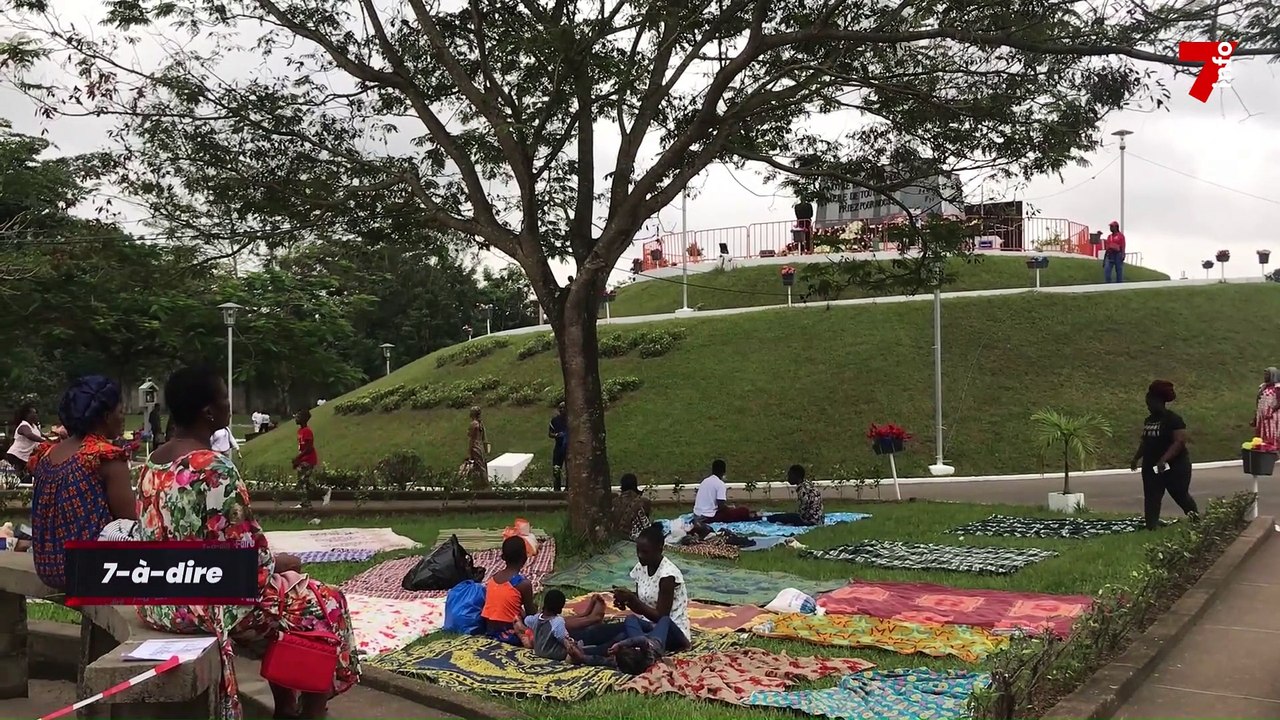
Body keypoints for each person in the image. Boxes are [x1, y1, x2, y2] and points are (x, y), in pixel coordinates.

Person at [137, 366, 359, 720]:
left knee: (289, 596)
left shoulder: (153, 463)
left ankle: (286, 705)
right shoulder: (213, 467)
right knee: (324, 602)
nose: (229, 405)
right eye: (225, 399)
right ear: (208, 412)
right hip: (204, 605)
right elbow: (244, 559)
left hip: (158, 599)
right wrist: (280, 564)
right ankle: (310, 712)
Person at [27, 376, 138, 589]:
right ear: (106, 416)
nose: (123, 417)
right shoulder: (104, 456)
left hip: (48, 568)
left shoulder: (48, 453)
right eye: (120, 411)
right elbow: (130, 520)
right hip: (90, 569)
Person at [609, 524, 691, 655]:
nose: (640, 556)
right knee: (618, 632)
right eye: (638, 551)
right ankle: (584, 652)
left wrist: (633, 600)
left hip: (669, 630)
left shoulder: (667, 576)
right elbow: (642, 602)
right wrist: (626, 600)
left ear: (659, 549)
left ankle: (645, 648)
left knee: (623, 638)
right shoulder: (641, 567)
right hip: (649, 626)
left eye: (645, 552)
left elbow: (661, 617)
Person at [1130, 380, 1199, 530]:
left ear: (1159, 401)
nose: (1148, 405)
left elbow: (1179, 442)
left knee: (1180, 494)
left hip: (1175, 465)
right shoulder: (1149, 420)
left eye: (1150, 401)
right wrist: (1136, 458)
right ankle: (1151, 527)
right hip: (1151, 465)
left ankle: (1196, 520)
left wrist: (1164, 460)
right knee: (1152, 496)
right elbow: (1145, 441)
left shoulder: (1173, 419)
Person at [480, 537, 537, 645]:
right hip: (511, 633)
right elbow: (531, 615)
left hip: (490, 631)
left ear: (503, 557)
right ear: (524, 557)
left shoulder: (493, 579)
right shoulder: (523, 584)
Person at [692, 459, 757, 523]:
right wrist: (731, 509)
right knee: (743, 510)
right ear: (724, 471)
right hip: (707, 517)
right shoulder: (720, 484)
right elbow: (721, 506)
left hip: (697, 515)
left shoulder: (705, 481)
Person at [5, 403, 46, 482]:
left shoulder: (34, 426)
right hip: (16, 456)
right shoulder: (24, 425)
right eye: (33, 413)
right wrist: (43, 440)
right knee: (18, 478)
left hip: (26, 457)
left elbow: (42, 435)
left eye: (36, 413)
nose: (35, 415)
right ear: (26, 415)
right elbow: (29, 435)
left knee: (27, 478)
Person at [613, 473, 652, 540]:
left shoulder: (614, 502)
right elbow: (645, 524)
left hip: (615, 538)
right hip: (635, 539)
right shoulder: (644, 502)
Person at [293, 409, 318, 509]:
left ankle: (306, 504)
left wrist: (297, 458)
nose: (295, 418)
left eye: (298, 416)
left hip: (308, 460)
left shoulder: (307, 431)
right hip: (303, 459)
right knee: (305, 483)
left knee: (301, 483)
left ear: (304, 419)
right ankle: (323, 492)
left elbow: (309, 448)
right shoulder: (300, 431)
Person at [1254, 367, 1280, 446]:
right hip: (1262, 416)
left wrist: (1272, 411)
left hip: (1273, 416)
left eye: (1267, 375)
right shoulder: (1263, 387)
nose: (1265, 376)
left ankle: (1273, 449)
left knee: (1271, 433)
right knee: (1262, 433)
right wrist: (1256, 416)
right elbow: (1258, 400)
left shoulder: (1277, 388)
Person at [466, 406, 489, 487]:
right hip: (480, 446)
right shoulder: (480, 424)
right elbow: (483, 438)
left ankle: (484, 483)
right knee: (481, 465)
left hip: (475, 447)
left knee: (479, 466)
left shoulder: (473, 424)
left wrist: (469, 452)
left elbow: (471, 439)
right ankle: (478, 483)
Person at [548, 402, 568, 491]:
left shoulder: (571, 420)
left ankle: (568, 487)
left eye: (563, 408)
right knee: (556, 468)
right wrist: (556, 435)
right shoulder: (555, 420)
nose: (561, 410)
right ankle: (557, 488)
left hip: (569, 448)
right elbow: (550, 433)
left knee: (570, 469)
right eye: (560, 408)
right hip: (558, 447)